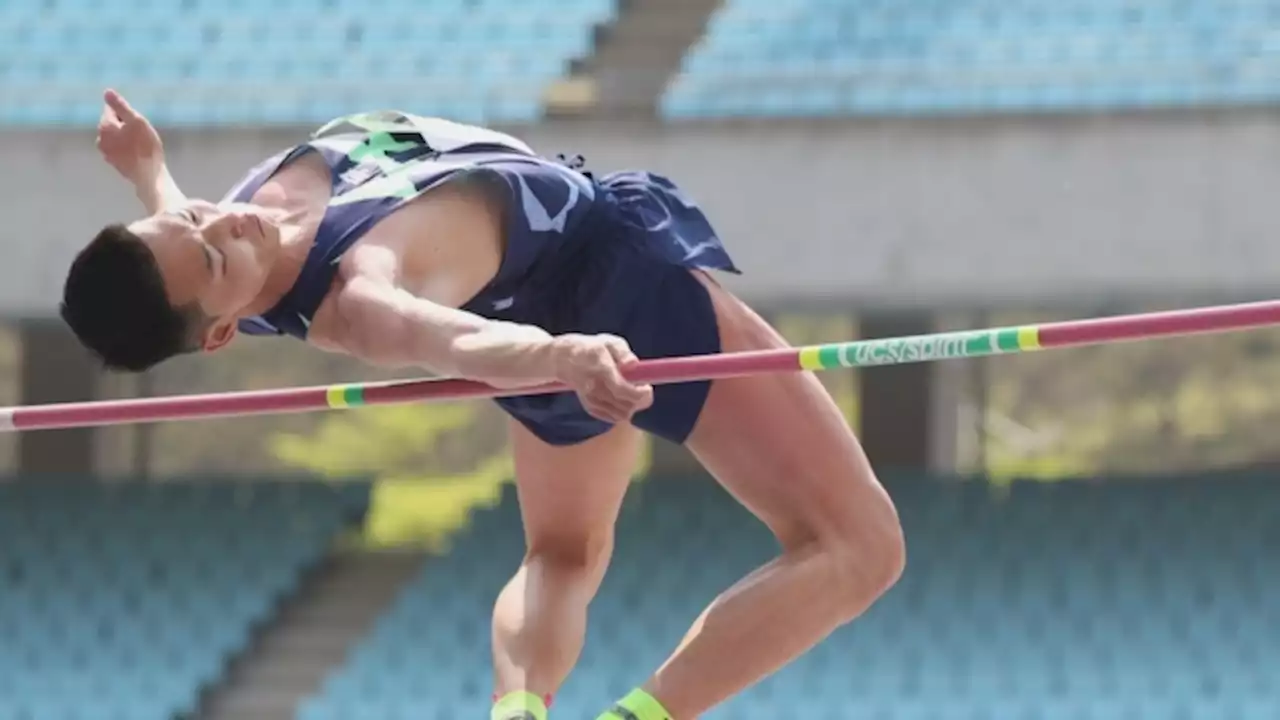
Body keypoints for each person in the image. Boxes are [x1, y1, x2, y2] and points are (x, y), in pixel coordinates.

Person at [61, 89, 906, 720]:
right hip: (614, 299)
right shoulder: (362, 299)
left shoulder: (212, 251)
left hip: (547, 323)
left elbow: (183, 241)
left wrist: (150, 172)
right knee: (862, 547)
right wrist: (565, 356)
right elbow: (456, 344)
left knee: (566, 553)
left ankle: (517, 711)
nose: (228, 225)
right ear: (220, 333)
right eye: (212, 259)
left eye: (198, 219)